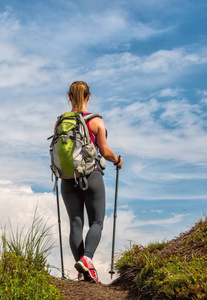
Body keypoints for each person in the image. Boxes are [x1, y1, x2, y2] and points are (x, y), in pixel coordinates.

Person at [59, 81, 123, 283]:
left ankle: (81, 269)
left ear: (69, 96)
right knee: (96, 221)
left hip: (67, 178)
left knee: (75, 222)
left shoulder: (60, 121)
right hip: (91, 175)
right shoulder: (95, 121)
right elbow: (104, 152)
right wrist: (117, 160)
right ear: (89, 96)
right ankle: (87, 259)